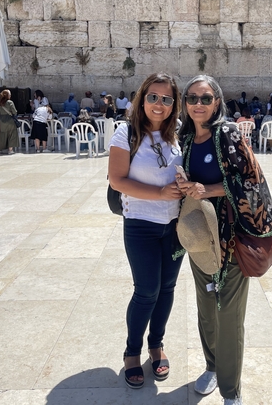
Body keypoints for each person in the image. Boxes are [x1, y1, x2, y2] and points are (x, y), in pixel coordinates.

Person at [176, 74, 272, 405]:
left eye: (206, 99)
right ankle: (211, 366)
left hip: (231, 237)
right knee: (206, 306)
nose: (198, 105)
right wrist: (185, 183)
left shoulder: (228, 134)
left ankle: (230, 390)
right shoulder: (187, 138)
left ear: (217, 102)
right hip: (199, 235)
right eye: (192, 98)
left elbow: (254, 182)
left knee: (229, 312)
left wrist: (210, 190)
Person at [108, 73, 184, 390]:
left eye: (166, 99)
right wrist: (160, 194)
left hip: (176, 227)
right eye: (153, 96)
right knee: (146, 290)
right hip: (140, 223)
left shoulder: (178, 134)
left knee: (167, 288)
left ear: (173, 105)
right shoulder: (125, 133)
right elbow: (117, 180)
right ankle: (131, 352)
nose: (159, 104)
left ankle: (156, 345)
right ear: (142, 98)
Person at [0, 89, 18, 155]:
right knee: (12, 134)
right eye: (10, 94)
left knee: (3, 135)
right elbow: (14, 111)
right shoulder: (10, 102)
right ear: (7, 95)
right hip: (10, 120)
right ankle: (10, 150)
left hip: (2, 120)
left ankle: (1, 149)